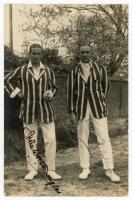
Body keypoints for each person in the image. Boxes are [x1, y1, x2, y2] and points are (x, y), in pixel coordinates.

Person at [5, 43, 62, 181]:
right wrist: (17, 92)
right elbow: (6, 80)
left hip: (46, 111)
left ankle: (51, 169)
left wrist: (50, 93)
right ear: (29, 54)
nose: (36, 55)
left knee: (51, 140)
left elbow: (54, 87)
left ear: (42, 55)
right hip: (28, 111)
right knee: (31, 140)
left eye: (38, 53)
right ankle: (32, 170)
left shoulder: (48, 71)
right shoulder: (22, 70)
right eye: (34, 53)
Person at [67, 45, 120, 182]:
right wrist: (72, 111)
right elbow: (70, 93)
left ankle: (109, 169)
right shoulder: (74, 72)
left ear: (92, 54)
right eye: (82, 52)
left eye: (87, 52)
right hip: (81, 108)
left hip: (98, 107)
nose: (85, 54)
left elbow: (106, 86)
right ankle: (85, 168)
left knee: (103, 137)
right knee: (82, 138)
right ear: (79, 54)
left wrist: (100, 97)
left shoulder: (100, 69)